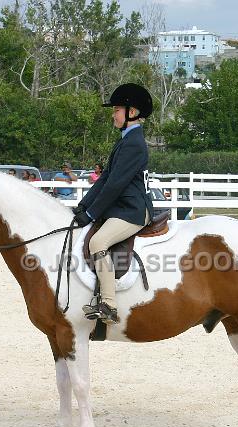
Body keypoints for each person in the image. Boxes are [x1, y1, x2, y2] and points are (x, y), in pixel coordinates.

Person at [72, 83, 154, 325]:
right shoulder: (125, 140)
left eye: (117, 109)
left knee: (98, 242)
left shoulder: (134, 144)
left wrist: (92, 212)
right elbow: (106, 177)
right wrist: (84, 204)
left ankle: (108, 304)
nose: (113, 114)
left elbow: (115, 185)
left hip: (133, 210)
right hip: (123, 207)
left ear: (132, 112)